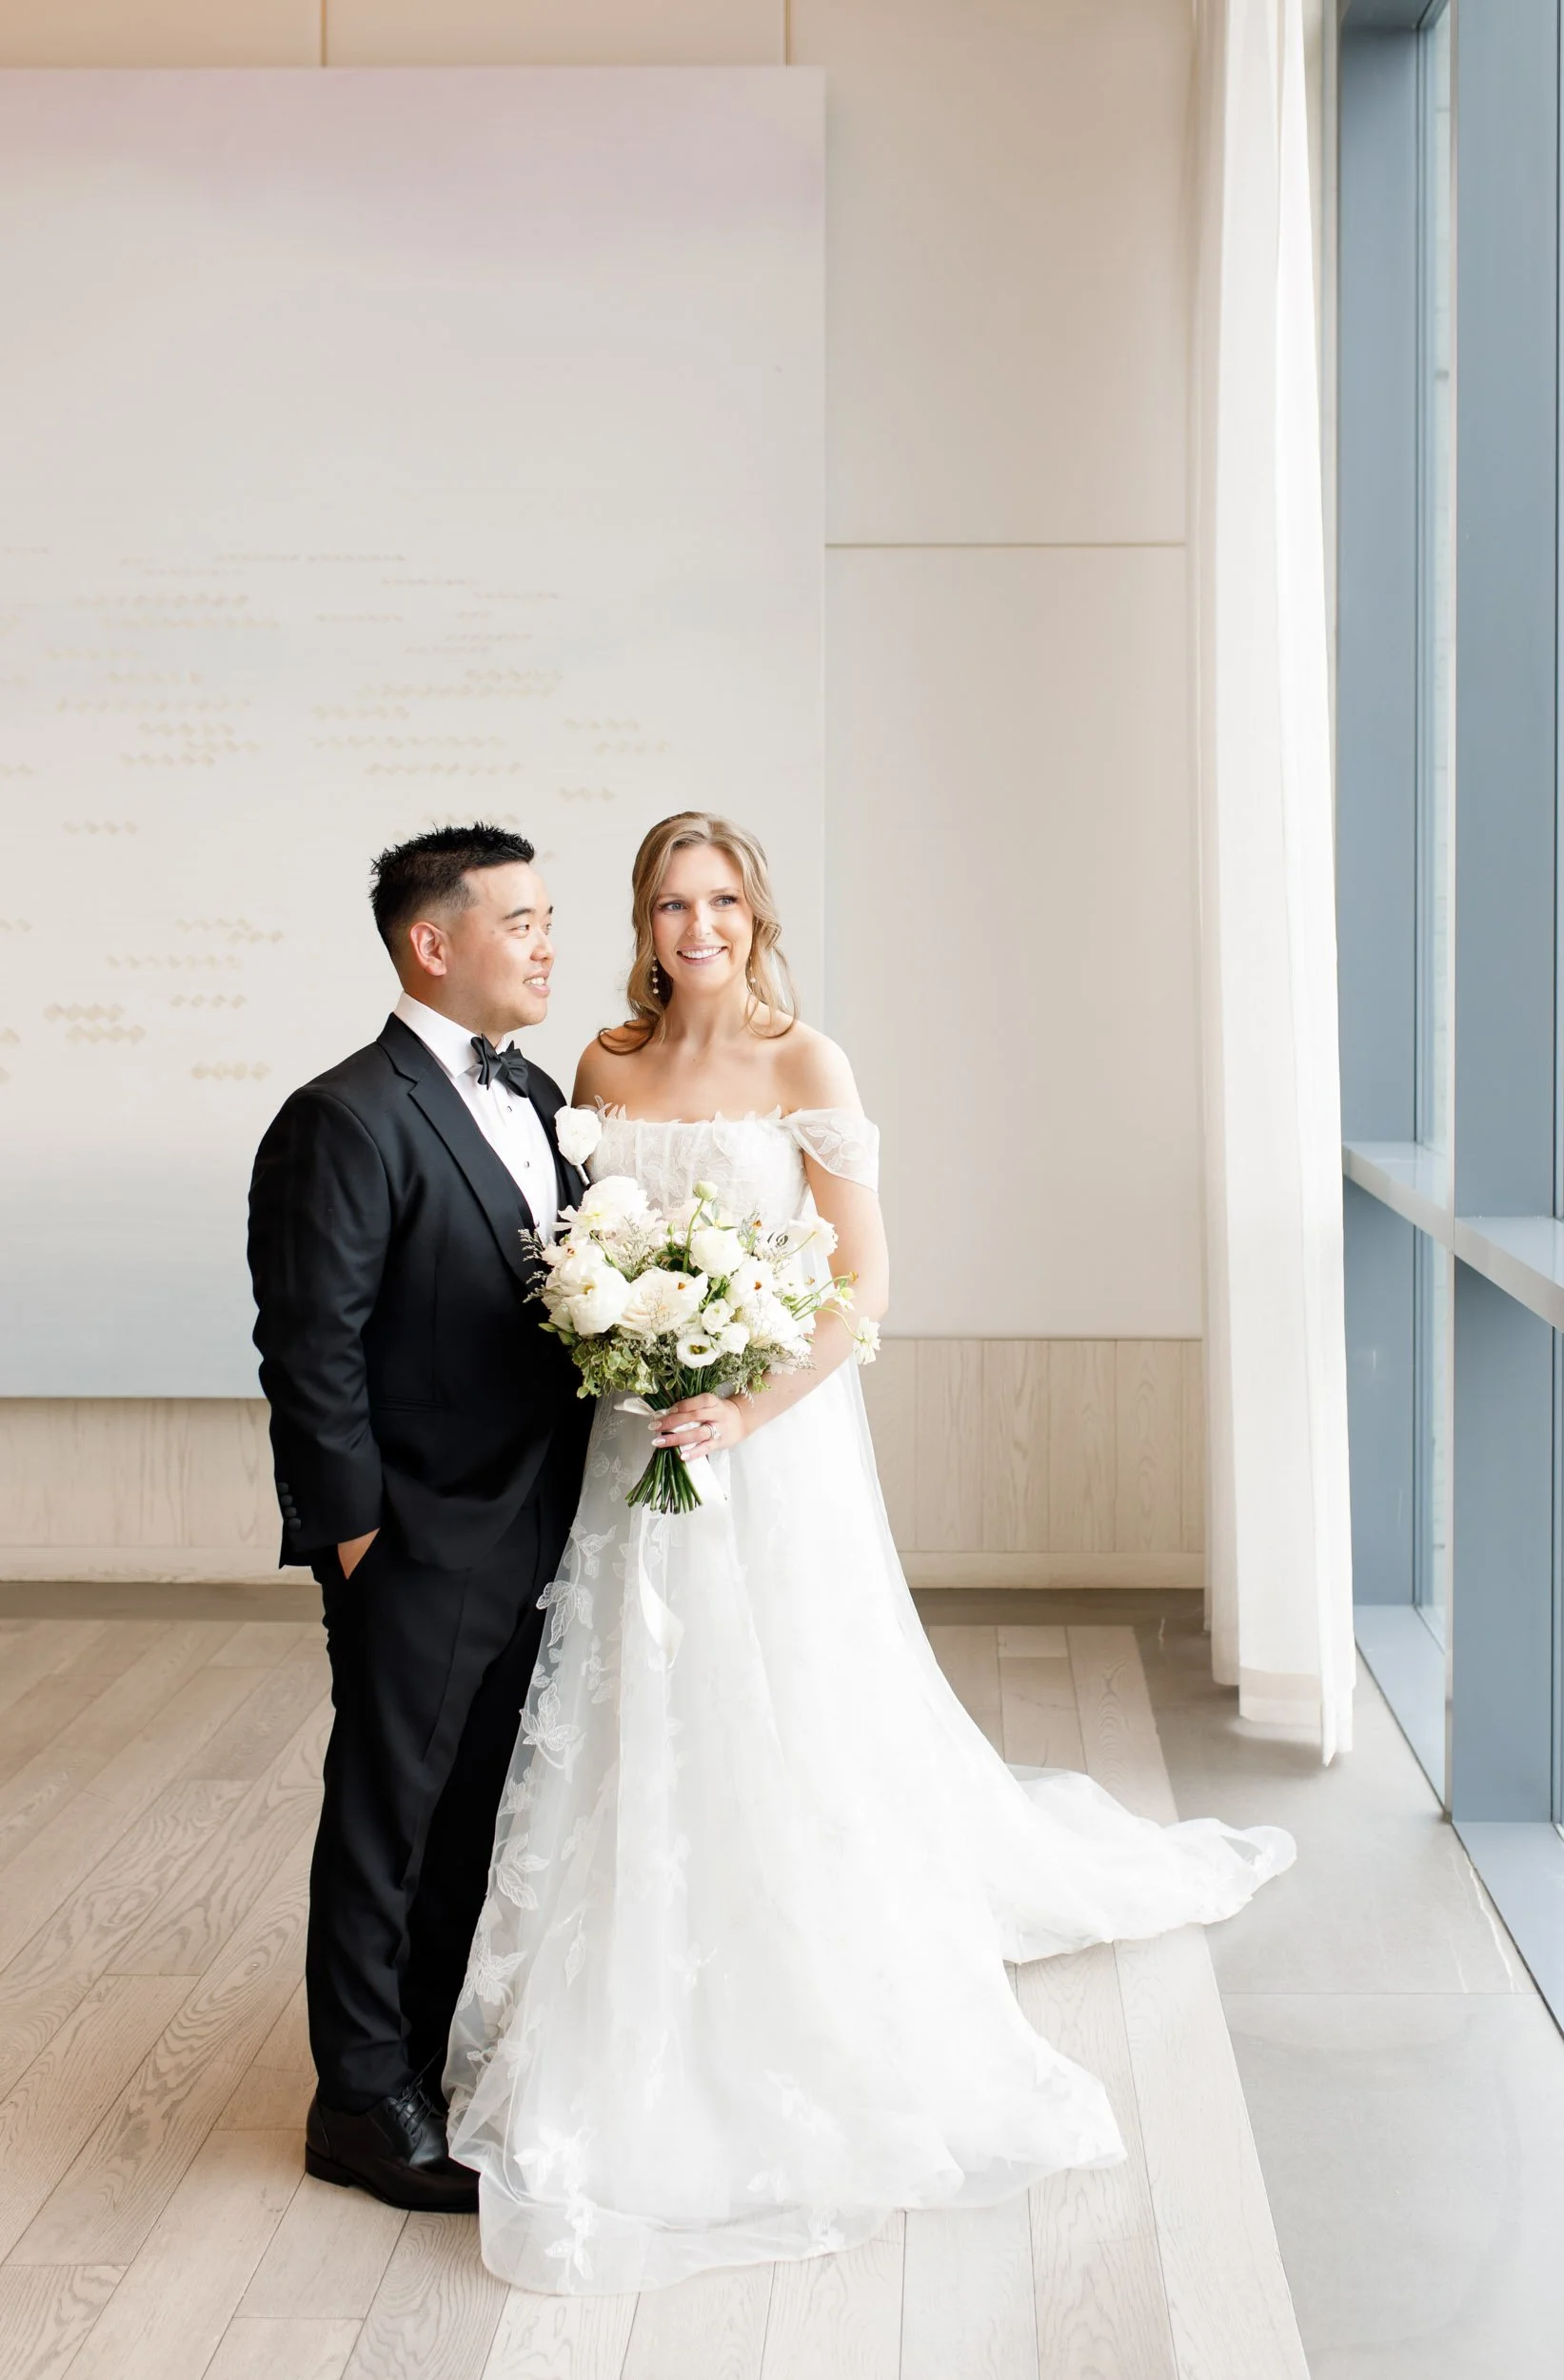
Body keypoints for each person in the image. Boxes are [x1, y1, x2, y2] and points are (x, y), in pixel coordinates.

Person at [444, 810, 1297, 2293]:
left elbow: (863, 1282)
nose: (692, 927)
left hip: (767, 1447)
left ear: (755, 915)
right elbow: (584, 1253)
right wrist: (628, 1356)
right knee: (629, 1697)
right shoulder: (603, 1066)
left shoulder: (804, 1064)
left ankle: (796, 1952)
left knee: (780, 1699)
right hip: (636, 1436)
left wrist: (747, 1404)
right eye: (665, 905)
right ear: (639, 926)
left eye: (716, 901)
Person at [247, 823, 593, 2212]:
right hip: (416, 1532)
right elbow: (307, 1345)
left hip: (541, 1514)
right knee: (387, 1817)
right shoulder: (342, 1115)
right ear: (431, 943)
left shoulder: (543, 1089)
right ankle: (358, 2103)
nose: (549, 943)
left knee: (477, 1812)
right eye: (521, 921)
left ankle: (433, 2060)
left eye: (550, 916)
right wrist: (354, 1538)